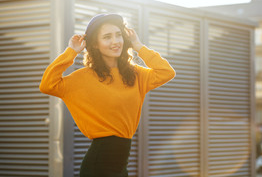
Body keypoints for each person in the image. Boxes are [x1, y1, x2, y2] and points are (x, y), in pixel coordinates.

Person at [39, 13, 175, 176]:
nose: (115, 41)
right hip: (99, 164)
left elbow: (167, 72)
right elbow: (47, 85)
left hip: (120, 163)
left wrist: (139, 46)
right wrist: (71, 52)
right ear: (95, 44)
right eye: (107, 37)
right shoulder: (83, 78)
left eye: (118, 35)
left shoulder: (136, 75)